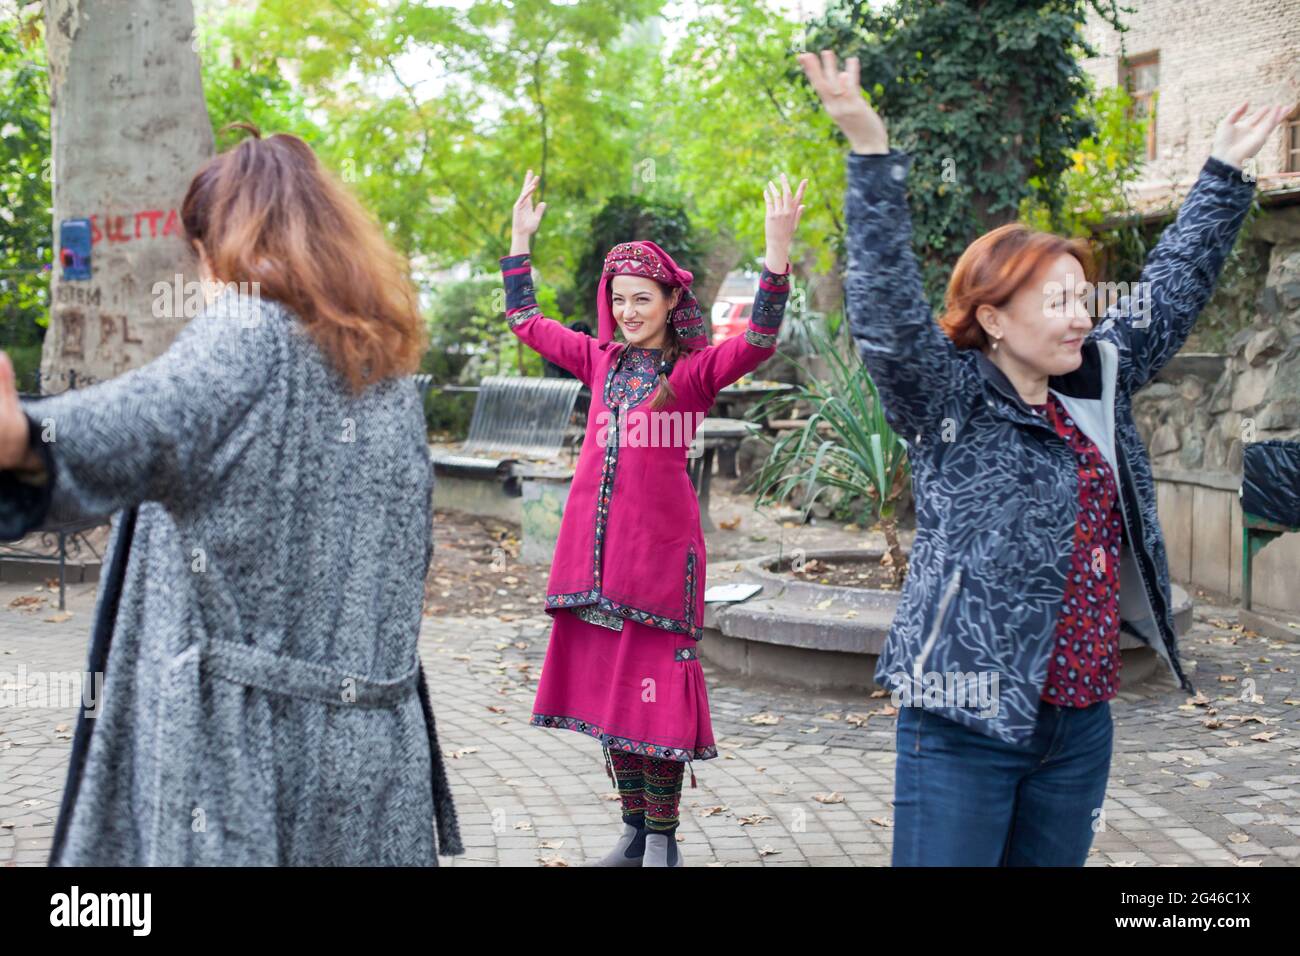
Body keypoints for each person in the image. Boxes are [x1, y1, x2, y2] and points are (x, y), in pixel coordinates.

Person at [800, 49, 1290, 866]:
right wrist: (871, 155)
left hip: (1078, 721)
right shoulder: (946, 398)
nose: (1077, 317)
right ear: (991, 319)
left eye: (1081, 298)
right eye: (1056, 301)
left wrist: (1222, 174)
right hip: (964, 714)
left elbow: (1168, 292)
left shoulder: (1093, 381)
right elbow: (885, 311)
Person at [0, 126, 462, 865]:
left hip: (250, 762)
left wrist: (27, 436)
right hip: (376, 761)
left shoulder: (250, 331)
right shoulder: (388, 379)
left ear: (219, 244)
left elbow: (147, 419)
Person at [501, 168, 805, 866]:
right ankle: (635, 832)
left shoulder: (691, 373)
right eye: (619, 299)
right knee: (615, 700)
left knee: (653, 699)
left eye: (643, 298)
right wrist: (520, 242)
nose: (629, 310)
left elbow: (757, 342)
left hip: (659, 562)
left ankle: (663, 838)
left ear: (671, 302)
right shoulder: (599, 360)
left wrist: (775, 255)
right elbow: (527, 322)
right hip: (594, 560)